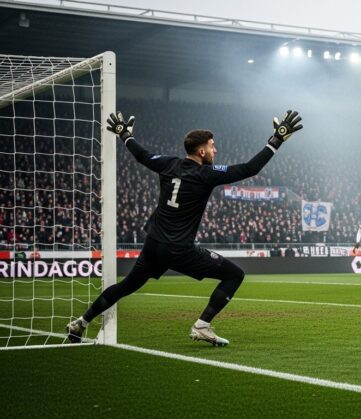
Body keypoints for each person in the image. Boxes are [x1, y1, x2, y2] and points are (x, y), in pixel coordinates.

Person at [66, 110, 303, 346]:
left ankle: (82, 322)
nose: (215, 150)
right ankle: (202, 325)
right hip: (178, 248)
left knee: (126, 286)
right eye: (212, 146)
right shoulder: (206, 174)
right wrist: (276, 140)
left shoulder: (168, 164)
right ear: (201, 152)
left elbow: (142, 155)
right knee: (234, 274)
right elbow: (250, 168)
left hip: (154, 244)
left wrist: (125, 135)